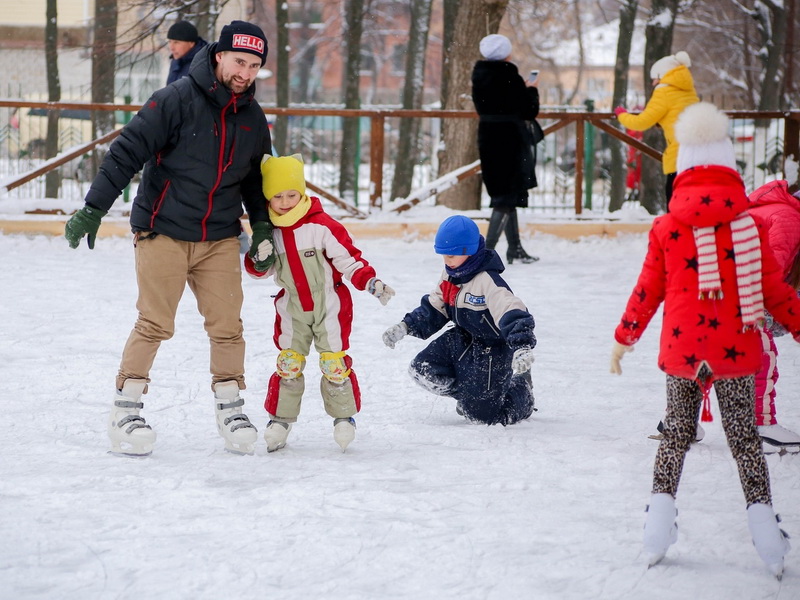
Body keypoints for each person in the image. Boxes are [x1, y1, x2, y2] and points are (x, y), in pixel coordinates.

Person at [64, 20, 275, 457]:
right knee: (155, 322)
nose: (246, 73)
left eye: (254, 66)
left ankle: (230, 406)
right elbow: (126, 152)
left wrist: (263, 228)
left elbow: (258, 181)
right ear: (218, 55)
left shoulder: (252, 117)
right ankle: (126, 409)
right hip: (162, 230)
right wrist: (93, 208)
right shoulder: (174, 99)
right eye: (240, 62)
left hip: (219, 235)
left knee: (228, 327)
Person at [609, 102, 800, 578]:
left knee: (675, 435)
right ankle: (766, 536)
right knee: (744, 443)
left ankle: (656, 529)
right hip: (736, 355)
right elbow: (776, 292)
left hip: (683, 352)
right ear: (731, 173)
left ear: (685, 173)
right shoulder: (751, 227)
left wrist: (623, 338)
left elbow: (647, 290)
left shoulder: (668, 229)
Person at [245, 154, 396, 453]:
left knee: (333, 363)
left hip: (329, 306)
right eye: (278, 196)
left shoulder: (322, 226)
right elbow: (262, 271)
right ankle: (280, 420)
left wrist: (370, 282)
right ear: (267, 197)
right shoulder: (269, 231)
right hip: (292, 309)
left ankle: (343, 418)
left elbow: (349, 260)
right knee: (288, 364)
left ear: (302, 193)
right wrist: (258, 259)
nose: (286, 201)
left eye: (292, 194)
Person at [382, 215, 536, 426]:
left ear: (469, 251)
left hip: (492, 350)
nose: (447, 261)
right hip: (461, 338)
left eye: (452, 255)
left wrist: (522, 345)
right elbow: (436, 306)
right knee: (422, 369)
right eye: (443, 255)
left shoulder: (487, 281)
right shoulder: (451, 274)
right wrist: (406, 326)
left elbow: (512, 310)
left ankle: (521, 391)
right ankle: (472, 397)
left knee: (483, 418)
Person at [471, 33, 540, 264]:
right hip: (510, 140)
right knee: (505, 198)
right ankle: (485, 254)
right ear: (505, 53)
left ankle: (515, 248)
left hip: (489, 138)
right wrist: (531, 89)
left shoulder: (479, 75)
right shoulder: (510, 76)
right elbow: (529, 110)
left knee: (506, 194)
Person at [747, 179, 800, 454]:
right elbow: (772, 269)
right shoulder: (790, 220)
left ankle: (679, 420)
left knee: (712, 356)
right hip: (743, 292)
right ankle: (762, 425)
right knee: (762, 355)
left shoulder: (778, 208)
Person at [614, 51, 698, 204]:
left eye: (655, 79)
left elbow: (642, 122)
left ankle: (675, 227)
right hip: (700, 154)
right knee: (694, 202)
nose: (653, 83)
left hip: (680, 156)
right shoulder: (688, 90)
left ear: (663, 76)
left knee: (675, 202)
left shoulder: (664, 91)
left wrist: (622, 115)